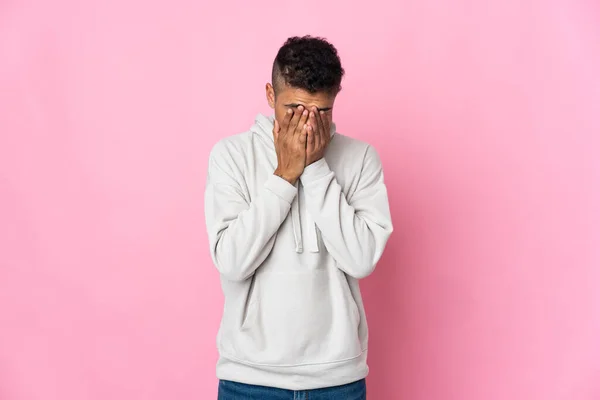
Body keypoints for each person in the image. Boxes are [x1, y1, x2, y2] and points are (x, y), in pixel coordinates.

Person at [205, 35, 393, 400]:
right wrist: (285, 175)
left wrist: (316, 168)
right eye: (294, 109)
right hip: (249, 379)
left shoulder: (361, 158)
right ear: (270, 96)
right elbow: (231, 262)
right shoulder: (231, 156)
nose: (307, 125)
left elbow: (361, 259)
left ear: (335, 100)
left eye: (321, 112)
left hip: (337, 379)